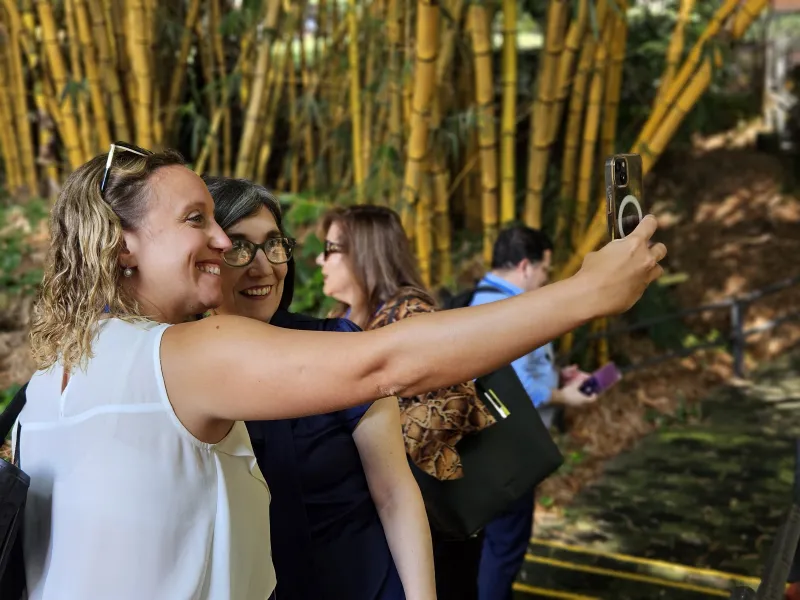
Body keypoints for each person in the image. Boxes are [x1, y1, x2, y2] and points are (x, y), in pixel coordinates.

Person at [17, 143, 664, 600]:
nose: (222, 241)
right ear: (121, 246)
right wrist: (586, 293)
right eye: (196, 220)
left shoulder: (48, 382)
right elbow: (388, 361)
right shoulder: (183, 354)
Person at [204, 176, 434, 600]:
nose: (263, 266)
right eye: (238, 246)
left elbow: (395, 493)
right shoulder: (178, 367)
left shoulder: (336, 345)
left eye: (273, 244)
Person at [469, 225, 598, 600]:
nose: (545, 279)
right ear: (525, 266)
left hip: (495, 448)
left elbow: (515, 370)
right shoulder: (504, 311)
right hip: (507, 451)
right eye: (544, 270)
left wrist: (558, 375)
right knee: (505, 548)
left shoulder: (487, 301)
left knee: (495, 546)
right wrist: (563, 396)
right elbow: (516, 387)